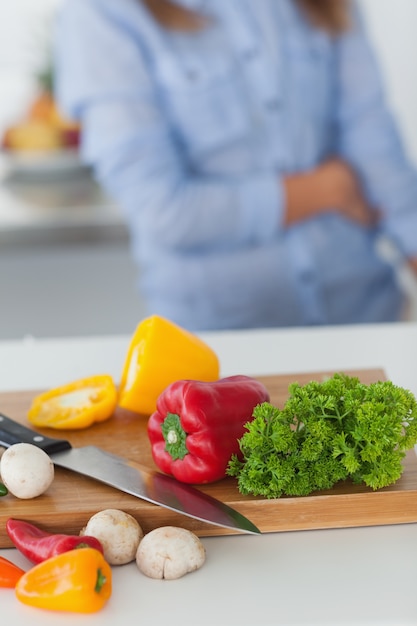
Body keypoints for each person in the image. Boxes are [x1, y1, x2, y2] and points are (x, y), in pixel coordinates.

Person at [54, 0, 417, 331]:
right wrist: (326, 189)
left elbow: (374, 139)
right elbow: (164, 211)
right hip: (220, 343)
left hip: (366, 313)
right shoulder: (101, 12)